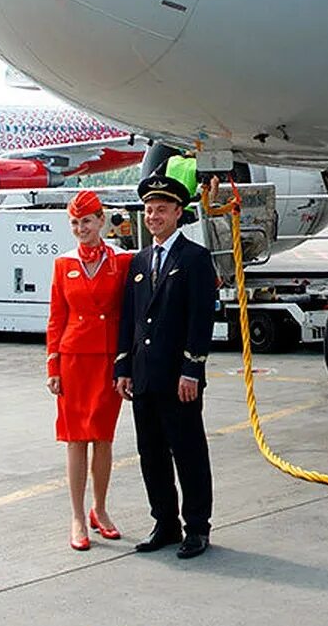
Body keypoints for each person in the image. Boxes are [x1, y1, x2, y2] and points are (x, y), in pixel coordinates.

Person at [115, 172, 217, 560]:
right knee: (151, 454)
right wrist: (123, 368)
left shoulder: (194, 258)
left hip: (179, 379)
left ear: (178, 212)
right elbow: (130, 318)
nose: (153, 216)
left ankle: (197, 527)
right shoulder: (140, 261)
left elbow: (200, 318)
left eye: (161, 209)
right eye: (148, 210)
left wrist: (192, 369)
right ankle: (165, 522)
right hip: (144, 377)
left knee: (188, 453)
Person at [46, 189, 134, 551]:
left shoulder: (122, 260)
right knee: (75, 439)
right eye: (75, 222)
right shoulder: (63, 264)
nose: (81, 228)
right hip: (74, 359)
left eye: (87, 221)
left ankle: (101, 508)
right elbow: (56, 317)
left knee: (103, 437)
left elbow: (132, 310)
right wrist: (53, 364)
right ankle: (78, 516)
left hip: (108, 359)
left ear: (102, 221)